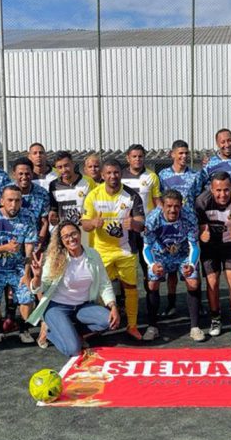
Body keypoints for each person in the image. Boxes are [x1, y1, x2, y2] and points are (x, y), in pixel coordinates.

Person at [28, 223, 120, 357]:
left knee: (109, 321)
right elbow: (41, 287)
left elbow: (104, 283)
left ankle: (71, 332)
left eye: (73, 234)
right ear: (61, 241)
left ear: (79, 233)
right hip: (56, 307)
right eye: (65, 237)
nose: (71, 239)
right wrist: (37, 277)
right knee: (74, 350)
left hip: (82, 306)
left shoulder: (93, 254)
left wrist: (113, 306)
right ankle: (50, 331)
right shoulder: (55, 259)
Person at [81, 159, 145, 340]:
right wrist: (93, 223)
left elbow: (141, 224)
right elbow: (84, 224)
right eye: (108, 173)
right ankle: (102, 325)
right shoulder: (93, 195)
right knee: (100, 290)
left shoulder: (131, 196)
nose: (113, 176)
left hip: (125, 250)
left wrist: (134, 223)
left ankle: (132, 326)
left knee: (130, 287)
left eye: (116, 172)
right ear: (102, 175)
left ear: (121, 174)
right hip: (101, 252)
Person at [195, 171, 231, 344]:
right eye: (218, 190)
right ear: (211, 189)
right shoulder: (201, 201)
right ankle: (215, 318)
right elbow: (198, 228)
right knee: (212, 281)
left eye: (226, 190)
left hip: (230, 246)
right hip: (210, 246)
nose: (222, 194)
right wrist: (201, 234)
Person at [142, 190, 202, 341]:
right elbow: (147, 247)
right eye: (169, 206)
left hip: (182, 254)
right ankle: (152, 326)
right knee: (152, 284)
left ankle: (195, 327)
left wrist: (192, 265)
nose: (172, 210)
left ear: (181, 205)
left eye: (176, 206)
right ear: (162, 205)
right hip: (160, 255)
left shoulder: (189, 217)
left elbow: (194, 245)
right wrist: (152, 264)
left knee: (193, 282)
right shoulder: (152, 219)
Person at [0, 185, 38, 345]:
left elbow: (29, 248)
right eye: (10, 200)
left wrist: (27, 274)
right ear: (2, 201)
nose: (14, 205)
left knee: (27, 296)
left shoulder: (28, 216)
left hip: (18, 266)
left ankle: (24, 329)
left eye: (18, 200)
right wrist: (5, 248)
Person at [158, 140, 203, 316]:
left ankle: (197, 305)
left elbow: (199, 200)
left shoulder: (195, 175)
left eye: (186, 153)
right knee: (171, 271)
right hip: (169, 228)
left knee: (192, 266)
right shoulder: (162, 175)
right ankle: (171, 304)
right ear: (173, 154)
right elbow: (159, 199)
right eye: (180, 153)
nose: (184, 156)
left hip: (189, 226)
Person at [121, 144, 162, 292]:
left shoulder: (151, 176)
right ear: (128, 158)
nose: (137, 159)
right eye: (134, 156)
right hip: (125, 231)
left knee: (149, 269)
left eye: (140, 156)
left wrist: (157, 224)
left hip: (146, 230)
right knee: (125, 270)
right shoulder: (120, 176)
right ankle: (125, 306)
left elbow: (158, 203)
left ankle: (152, 309)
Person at [10, 157, 50, 250]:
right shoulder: (6, 192)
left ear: (32, 174)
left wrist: (39, 242)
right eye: (20, 174)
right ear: (14, 174)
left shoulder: (42, 193)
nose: (24, 177)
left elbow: (44, 222)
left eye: (27, 174)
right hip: (12, 243)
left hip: (34, 242)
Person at [48, 150, 97, 227]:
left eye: (66, 165)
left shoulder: (88, 182)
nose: (64, 170)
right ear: (56, 168)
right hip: (65, 233)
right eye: (60, 167)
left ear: (73, 164)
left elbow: (96, 204)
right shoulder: (53, 185)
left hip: (85, 231)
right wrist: (53, 215)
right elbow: (54, 209)